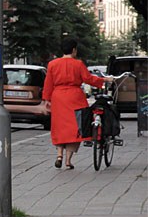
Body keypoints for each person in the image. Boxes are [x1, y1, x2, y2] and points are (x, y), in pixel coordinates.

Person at [43, 37, 113, 170]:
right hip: (75, 97)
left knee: (59, 127)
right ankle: (68, 161)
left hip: (58, 97)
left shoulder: (52, 64)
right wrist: (104, 80)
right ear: (74, 50)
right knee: (75, 128)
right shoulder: (78, 64)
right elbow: (88, 79)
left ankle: (59, 155)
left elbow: (48, 83)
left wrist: (46, 99)